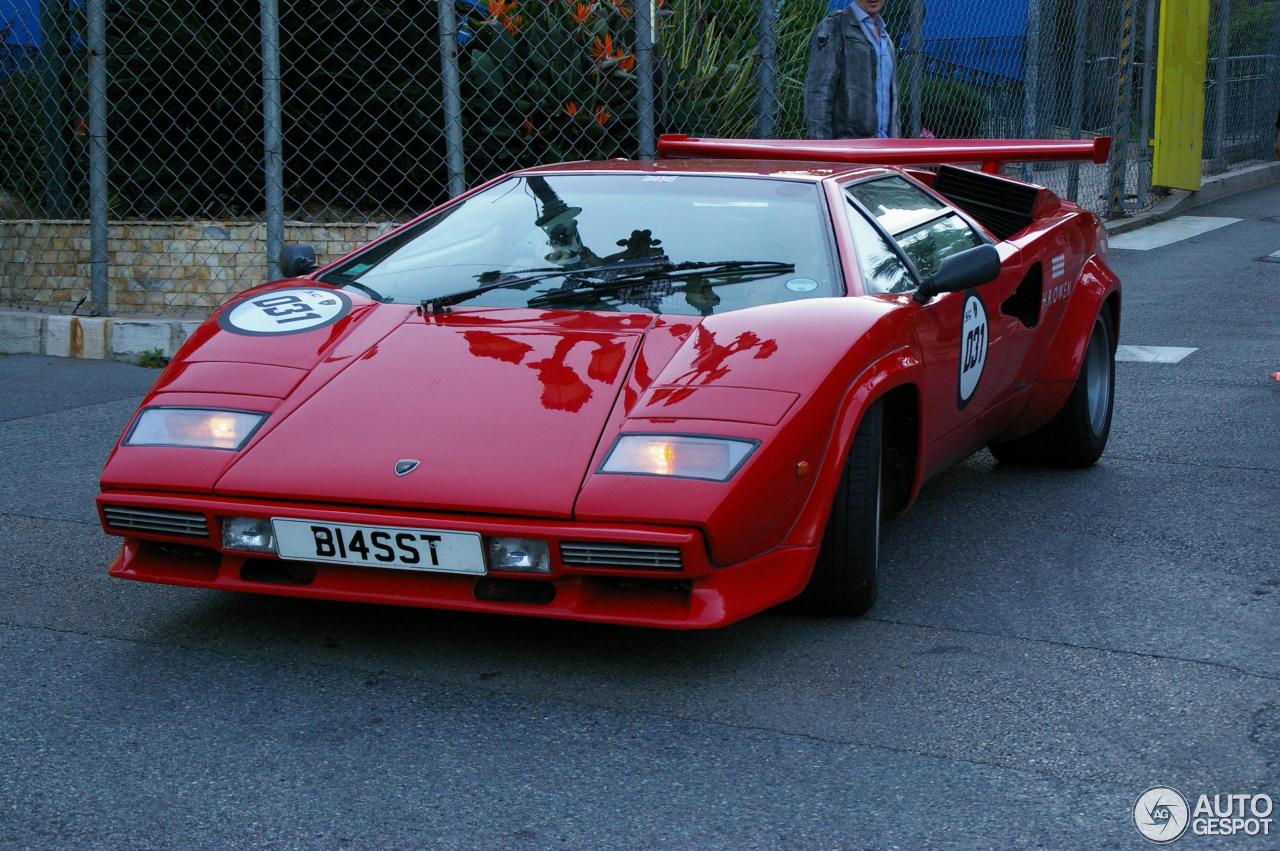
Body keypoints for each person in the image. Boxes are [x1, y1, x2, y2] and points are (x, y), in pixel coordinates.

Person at [804, 0, 901, 139]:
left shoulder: (887, 40)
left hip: (884, 152)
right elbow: (818, 95)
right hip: (847, 152)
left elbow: (893, 108)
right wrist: (824, 154)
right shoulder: (835, 26)